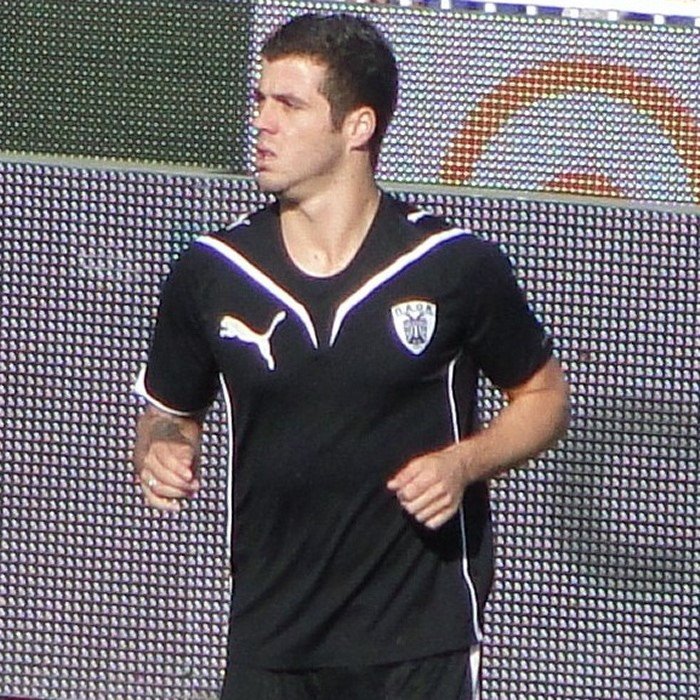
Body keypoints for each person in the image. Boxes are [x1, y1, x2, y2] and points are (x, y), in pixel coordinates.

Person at [132, 12, 570, 700]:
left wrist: (463, 464)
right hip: (271, 637)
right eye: (260, 100)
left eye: (289, 105)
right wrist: (161, 447)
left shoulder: (452, 264)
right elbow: (169, 410)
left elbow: (544, 398)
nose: (263, 123)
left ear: (357, 127)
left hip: (416, 640)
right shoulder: (213, 269)